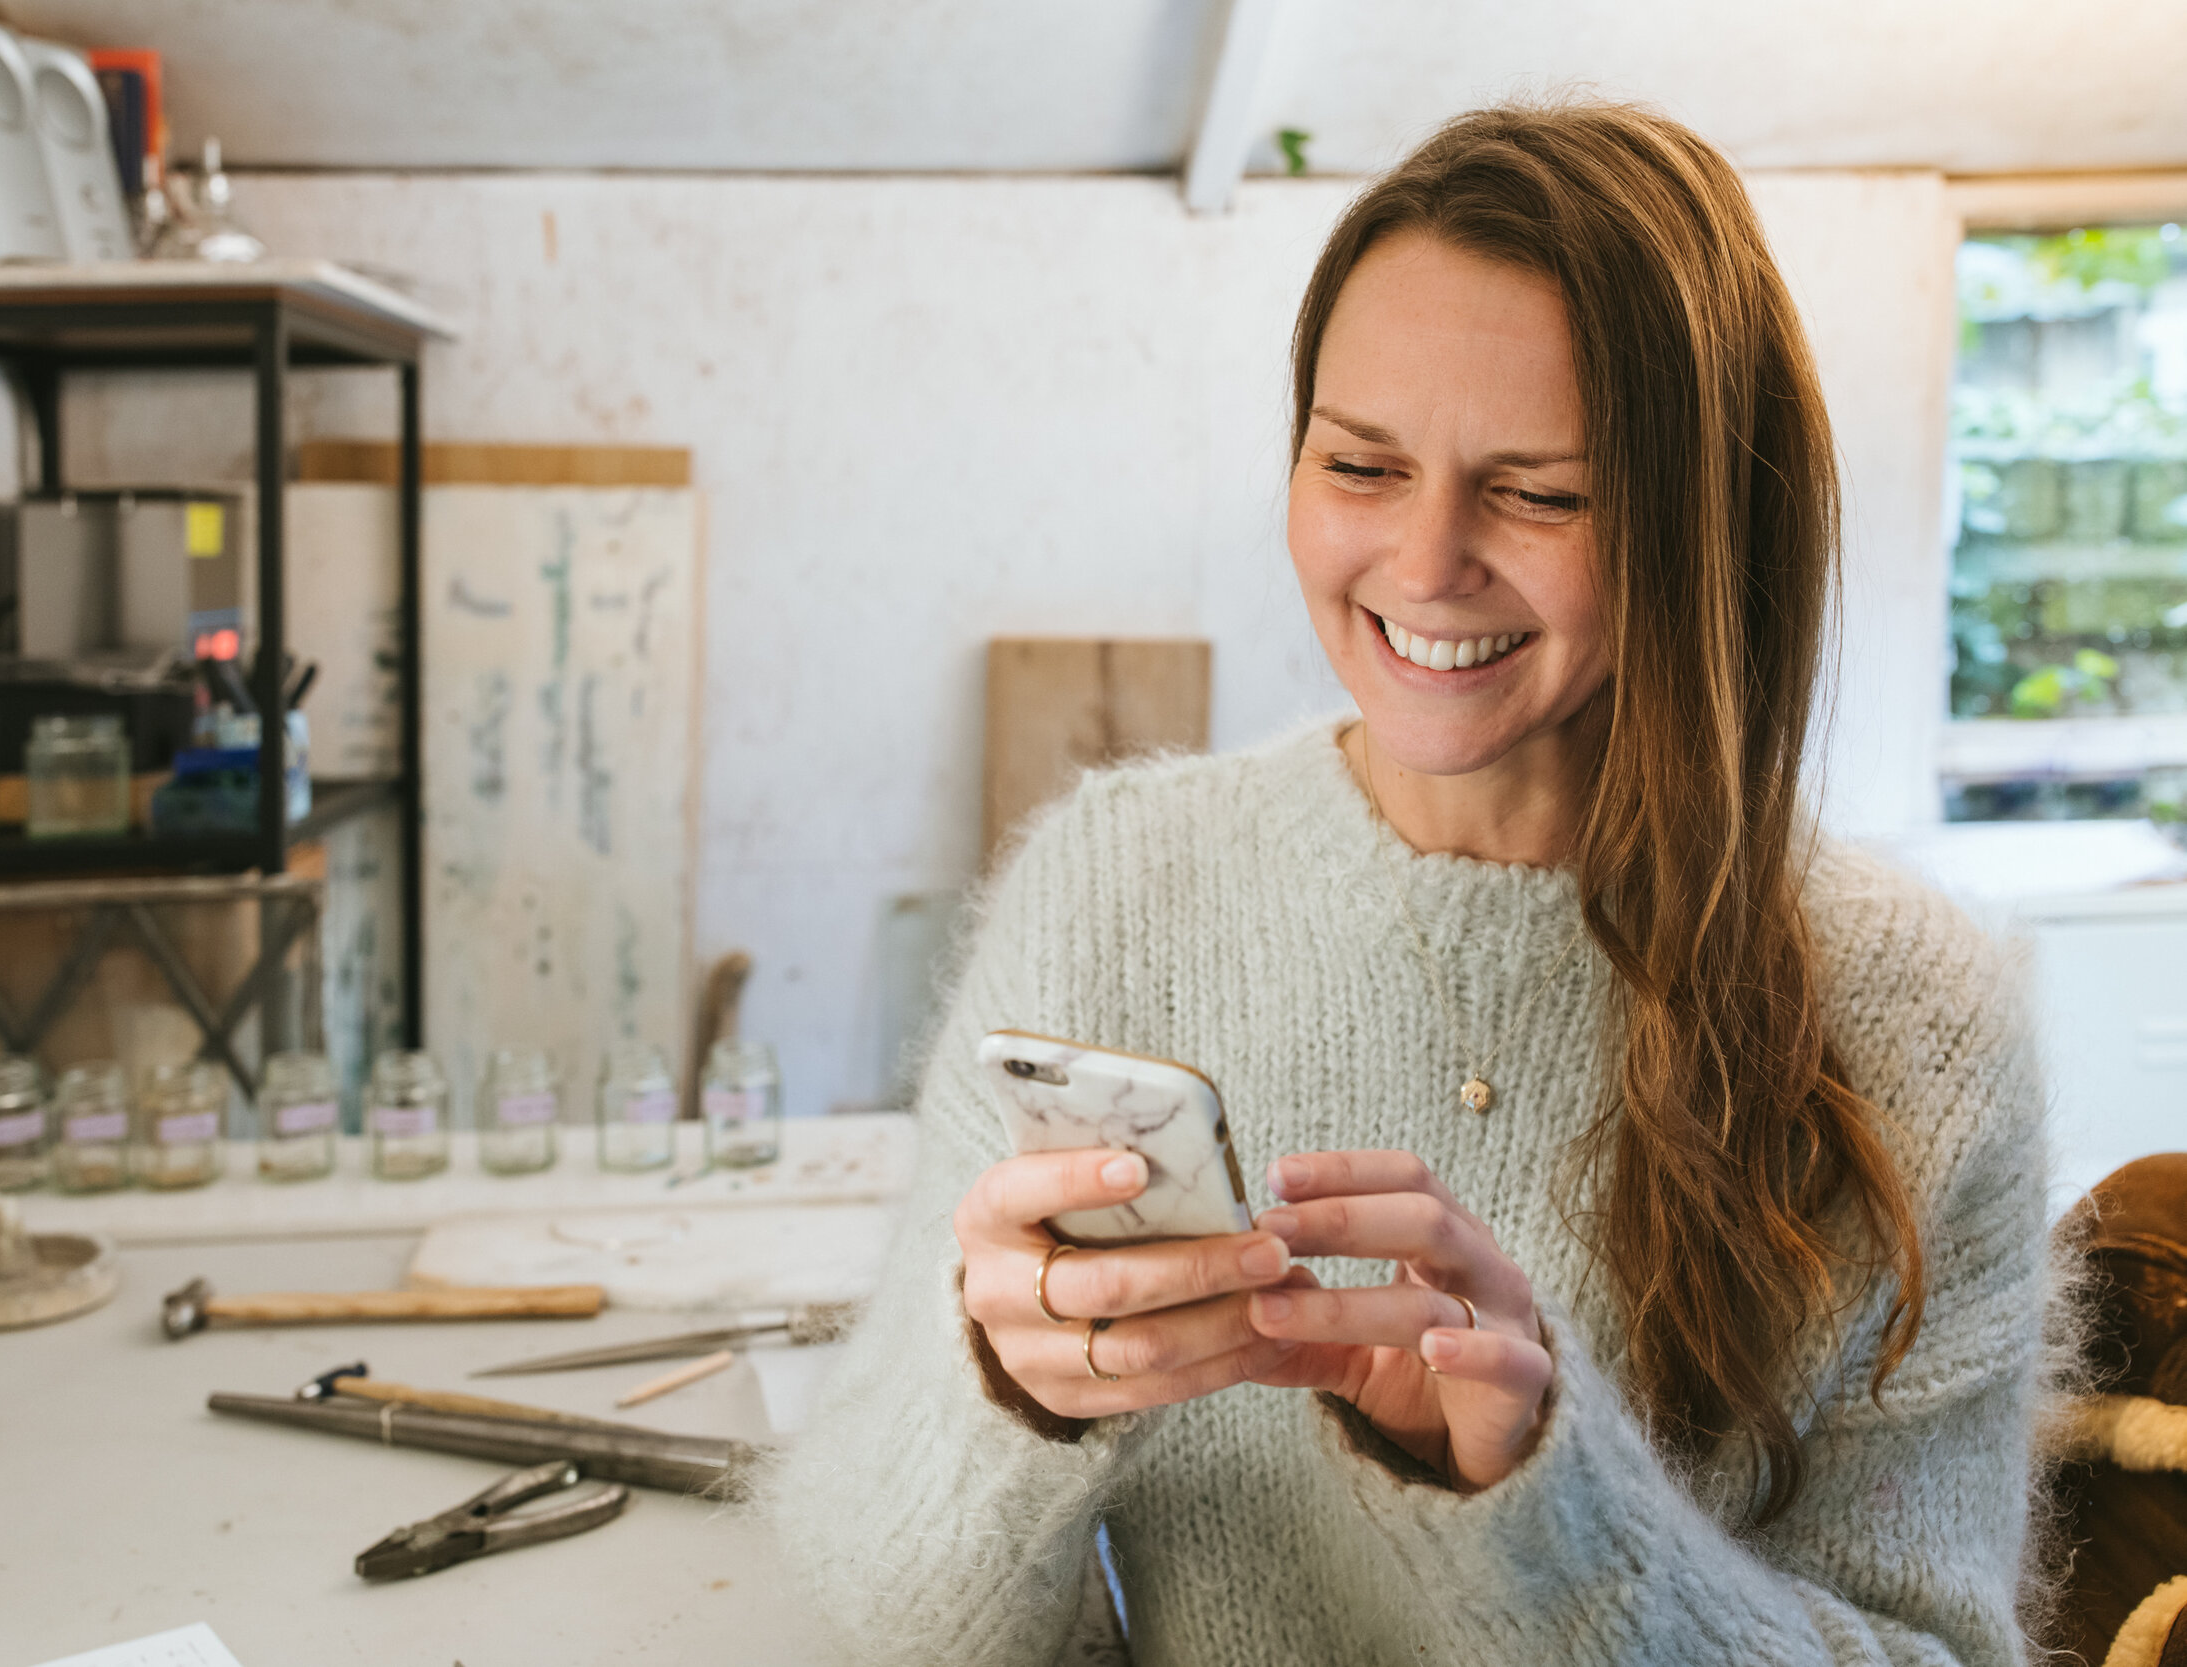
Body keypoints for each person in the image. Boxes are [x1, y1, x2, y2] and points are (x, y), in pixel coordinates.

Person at [757, 100, 2053, 1666]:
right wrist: (1008, 1403)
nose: (1426, 565)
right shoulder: (1116, 889)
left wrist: (1540, 1504)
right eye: (1360, 464)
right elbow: (883, 1617)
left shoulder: (1927, 1028)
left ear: (1702, 519)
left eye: (1542, 493)